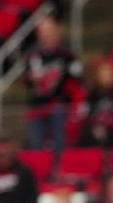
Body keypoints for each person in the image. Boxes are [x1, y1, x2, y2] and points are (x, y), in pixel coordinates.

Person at [24, 16, 84, 152]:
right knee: (36, 145)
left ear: (55, 30)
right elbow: (25, 79)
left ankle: (58, 171)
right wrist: (31, 78)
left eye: (48, 29)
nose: (46, 33)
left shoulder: (66, 53)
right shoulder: (32, 54)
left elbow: (77, 77)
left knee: (60, 144)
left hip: (59, 106)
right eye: (42, 30)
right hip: (37, 106)